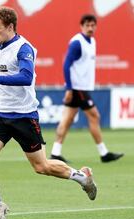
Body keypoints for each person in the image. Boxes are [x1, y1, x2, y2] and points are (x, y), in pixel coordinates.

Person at [0, 6, 97, 219]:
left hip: (24, 116)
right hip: (0, 114)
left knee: (41, 167)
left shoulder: (24, 48)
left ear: (10, 27)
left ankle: (82, 177)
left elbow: (25, 76)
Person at [50, 14, 124, 163]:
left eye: (92, 25)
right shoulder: (77, 43)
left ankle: (55, 152)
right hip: (78, 88)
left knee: (67, 119)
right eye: (87, 25)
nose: (90, 28)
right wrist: (70, 89)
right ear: (81, 26)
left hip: (80, 87)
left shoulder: (92, 41)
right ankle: (104, 153)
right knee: (94, 116)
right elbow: (66, 65)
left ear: (95, 26)